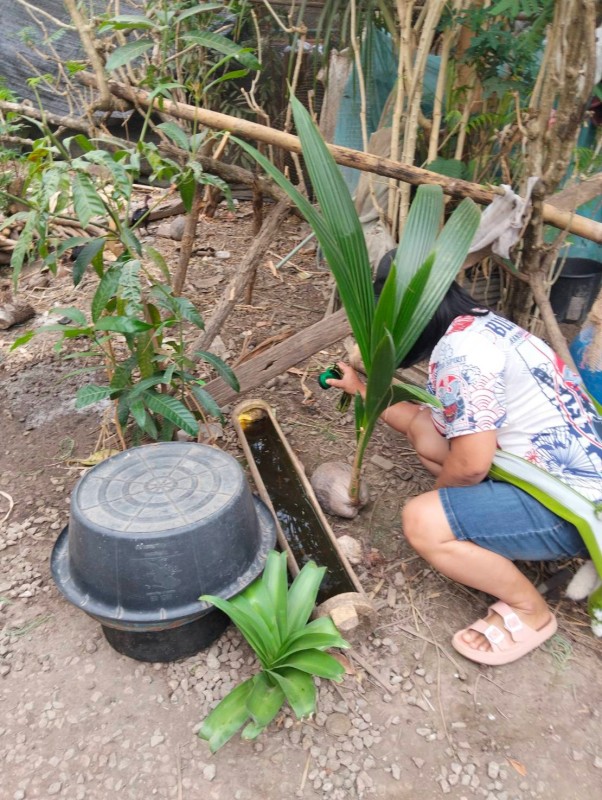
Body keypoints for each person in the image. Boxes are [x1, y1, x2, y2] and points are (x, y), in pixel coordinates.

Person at [327, 256, 602, 666]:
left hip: (576, 510)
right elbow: (424, 425)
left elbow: (472, 464)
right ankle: (496, 531)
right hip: (562, 477)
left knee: (423, 520)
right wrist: (360, 389)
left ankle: (531, 611)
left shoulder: (460, 357)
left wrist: (442, 504)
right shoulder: (481, 326)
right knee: (431, 438)